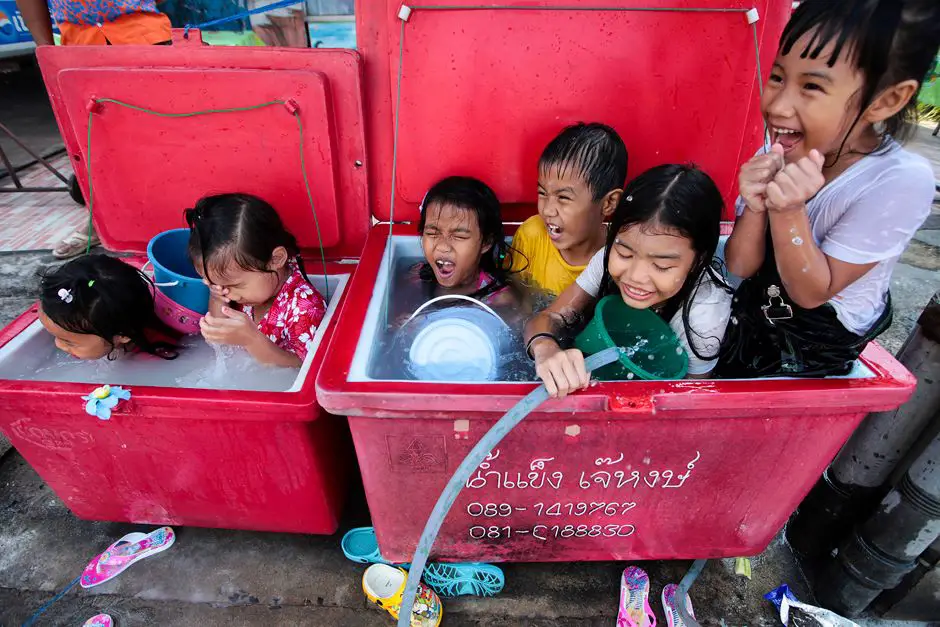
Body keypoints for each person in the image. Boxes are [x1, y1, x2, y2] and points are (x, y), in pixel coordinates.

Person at [717, 0, 940, 378]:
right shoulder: (785, 147)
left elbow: (811, 293)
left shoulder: (899, 179)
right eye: (777, 76)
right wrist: (756, 205)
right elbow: (739, 265)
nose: (778, 104)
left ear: (886, 100)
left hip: (817, 339)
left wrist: (787, 211)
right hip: (764, 306)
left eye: (812, 86)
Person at [524, 164, 732, 397]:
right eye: (625, 254)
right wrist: (545, 348)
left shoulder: (705, 314)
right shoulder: (606, 257)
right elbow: (550, 316)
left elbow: (691, 396)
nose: (635, 276)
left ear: (697, 260)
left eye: (662, 266)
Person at [15, 0, 172, 259]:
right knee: (94, 143)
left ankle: (171, 218)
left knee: (160, 138)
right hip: (78, 44)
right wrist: (45, 49)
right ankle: (99, 223)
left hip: (145, 35)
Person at [185, 193, 326, 368]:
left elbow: (305, 367)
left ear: (276, 259)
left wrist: (252, 341)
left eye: (234, 285)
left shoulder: (305, 308)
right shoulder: (241, 289)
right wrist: (217, 297)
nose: (228, 293)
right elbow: (222, 343)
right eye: (216, 284)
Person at [510, 122, 627, 296]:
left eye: (563, 197)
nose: (548, 210)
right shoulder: (532, 236)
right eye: (542, 193)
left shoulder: (620, 258)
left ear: (608, 203)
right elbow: (514, 297)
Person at [39, 254, 178, 360]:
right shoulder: (101, 323)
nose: (58, 345)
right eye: (53, 335)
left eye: (70, 343)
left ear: (122, 336)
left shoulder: (158, 355)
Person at [414, 176, 520, 306]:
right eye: (432, 233)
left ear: (486, 242)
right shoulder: (417, 276)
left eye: (459, 236)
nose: (443, 246)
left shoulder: (499, 299)